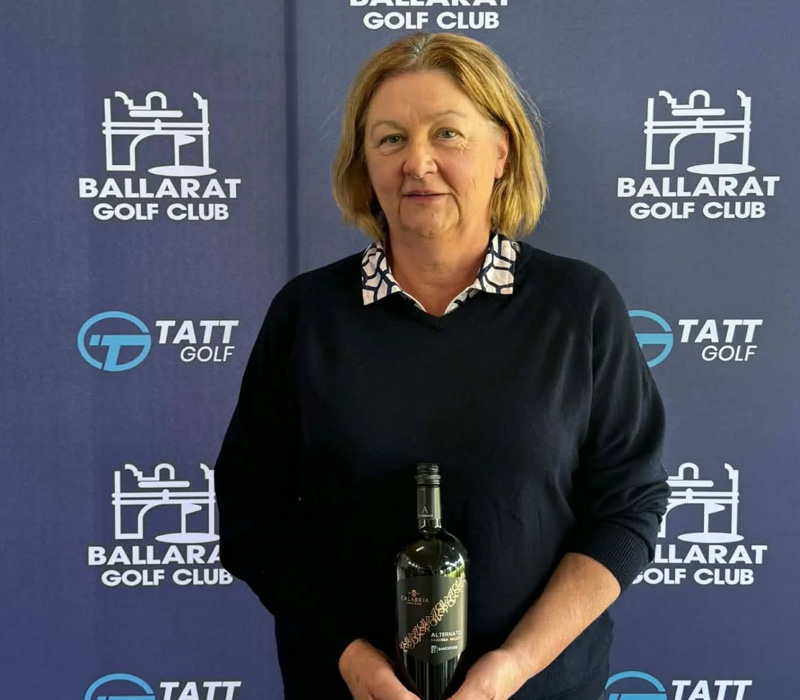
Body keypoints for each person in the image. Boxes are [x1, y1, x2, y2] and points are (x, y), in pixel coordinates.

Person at [214, 31, 669, 700]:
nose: (417, 162)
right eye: (390, 139)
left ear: (501, 152)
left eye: (447, 134)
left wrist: (512, 667)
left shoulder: (578, 306)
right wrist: (354, 663)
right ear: (364, 162)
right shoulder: (307, 316)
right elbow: (254, 516)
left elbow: (628, 509)